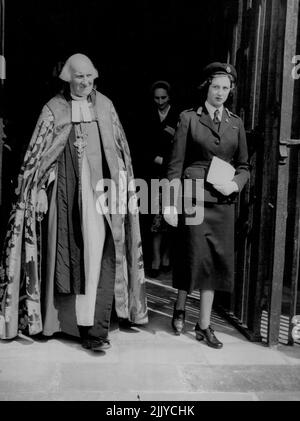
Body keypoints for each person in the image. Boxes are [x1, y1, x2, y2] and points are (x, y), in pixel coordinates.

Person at [0, 53, 148, 351]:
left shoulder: (105, 106)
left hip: (100, 200)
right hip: (63, 199)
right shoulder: (54, 109)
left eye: (89, 77)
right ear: (68, 78)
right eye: (79, 77)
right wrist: (39, 188)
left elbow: (120, 154)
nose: (85, 82)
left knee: (98, 256)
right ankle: (62, 323)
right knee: (65, 256)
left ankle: (94, 327)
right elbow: (39, 157)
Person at [164, 62, 250, 349]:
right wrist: (169, 203)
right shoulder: (189, 118)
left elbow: (245, 166)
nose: (221, 93)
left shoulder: (235, 123)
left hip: (223, 201)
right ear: (207, 87)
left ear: (231, 90)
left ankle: (203, 326)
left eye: (226, 88)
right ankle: (179, 307)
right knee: (193, 256)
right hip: (194, 197)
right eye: (216, 87)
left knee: (213, 263)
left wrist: (236, 183)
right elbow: (175, 165)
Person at [147, 80, 179, 278]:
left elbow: (184, 145)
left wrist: (166, 159)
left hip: (173, 173)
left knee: (171, 217)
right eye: (157, 98)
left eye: (163, 98)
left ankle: (167, 257)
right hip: (153, 174)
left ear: (170, 97)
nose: (160, 102)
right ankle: (156, 259)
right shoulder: (148, 115)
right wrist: (152, 158)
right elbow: (141, 142)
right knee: (155, 219)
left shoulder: (179, 116)